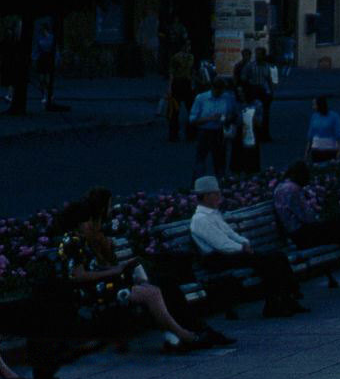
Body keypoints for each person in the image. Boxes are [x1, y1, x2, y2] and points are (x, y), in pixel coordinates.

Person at [53, 192, 225, 353]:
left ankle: (178, 336)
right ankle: (184, 335)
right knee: (154, 292)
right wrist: (114, 271)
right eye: (87, 221)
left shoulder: (80, 240)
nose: (90, 225)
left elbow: (94, 267)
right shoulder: (72, 242)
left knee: (157, 288)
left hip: (106, 285)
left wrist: (118, 268)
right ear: (78, 223)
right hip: (95, 292)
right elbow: (78, 276)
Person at [188, 176, 307, 318]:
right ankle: (275, 303)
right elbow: (221, 244)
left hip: (230, 254)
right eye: (216, 193)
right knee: (266, 261)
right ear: (206, 196)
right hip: (216, 259)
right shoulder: (200, 219)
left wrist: (244, 242)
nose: (220, 196)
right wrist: (242, 248)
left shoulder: (213, 214)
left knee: (277, 257)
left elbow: (230, 234)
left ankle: (287, 298)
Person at [272, 161, 340, 289]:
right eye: (306, 176)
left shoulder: (281, 188)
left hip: (300, 233)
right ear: (298, 175)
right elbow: (308, 218)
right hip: (304, 234)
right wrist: (318, 211)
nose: (307, 180)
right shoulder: (292, 189)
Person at [188, 75, 235, 179]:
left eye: (221, 90)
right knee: (201, 158)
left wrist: (226, 118)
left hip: (220, 131)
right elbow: (192, 119)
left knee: (220, 159)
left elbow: (232, 114)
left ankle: (220, 180)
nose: (219, 93)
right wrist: (210, 118)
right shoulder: (201, 98)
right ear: (212, 88)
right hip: (205, 131)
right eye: (218, 90)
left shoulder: (227, 98)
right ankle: (198, 181)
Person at [228, 83, 264, 176]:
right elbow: (231, 117)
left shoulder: (256, 104)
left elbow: (259, 122)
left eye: (242, 92)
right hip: (239, 130)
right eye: (238, 92)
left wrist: (251, 116)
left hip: (251, 130)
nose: (240, 94)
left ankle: (250, 174)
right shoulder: (236, 103)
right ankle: (238, 174)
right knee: (237, 156)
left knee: (251, 157)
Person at [165, 39, 196, 144]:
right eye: (188, 45)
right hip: (180, 84)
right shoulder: (180, 57)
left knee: (180, 110)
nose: (189, 47)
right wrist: (169, 87)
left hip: (183, 84)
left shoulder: (188, 57)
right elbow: (172, 73)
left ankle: (178, 134)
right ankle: (186, 133)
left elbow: (191, 72)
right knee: (180, 110)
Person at [306, 95, 340, 163]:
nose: (313, 107)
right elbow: (310, 135)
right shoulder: (314, 116)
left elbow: (339, 135)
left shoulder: (334, 116)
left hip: (330, 150)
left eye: (314, 105)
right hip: (316, 150)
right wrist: (307, 151)